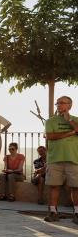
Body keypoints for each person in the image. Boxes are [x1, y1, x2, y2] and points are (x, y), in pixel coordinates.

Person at [43, 96, 78, 224]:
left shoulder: (76, 120)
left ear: (70, 105)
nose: (58, 105)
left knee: (76, 187)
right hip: (54, 159)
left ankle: (77, 213)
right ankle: (53, 212)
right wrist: (70, 133)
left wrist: (69, 120)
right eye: (57, 103)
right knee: (54, 186)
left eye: (62, 103)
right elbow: (51, 136)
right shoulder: (50, 121)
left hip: (74, 158)